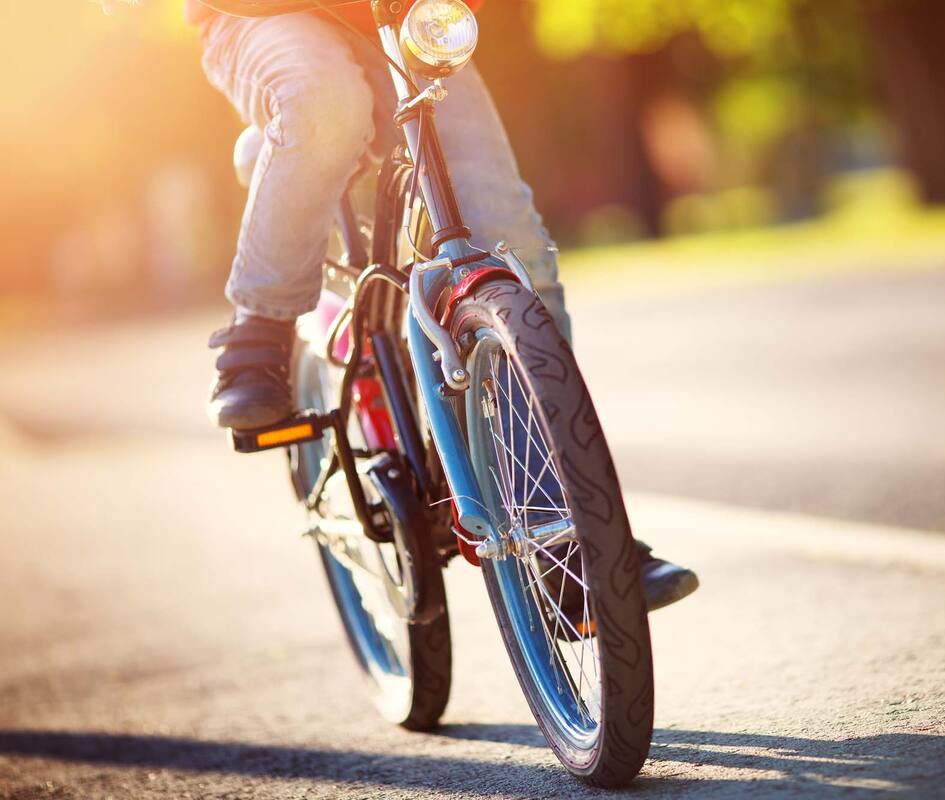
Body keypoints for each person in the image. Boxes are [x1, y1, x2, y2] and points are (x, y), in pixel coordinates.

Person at [95, 0, 698, 610]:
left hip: (404, 12)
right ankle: (259, 330)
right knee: (326, 103)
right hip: (263, 14)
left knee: (512, 245)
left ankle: (563, 537)